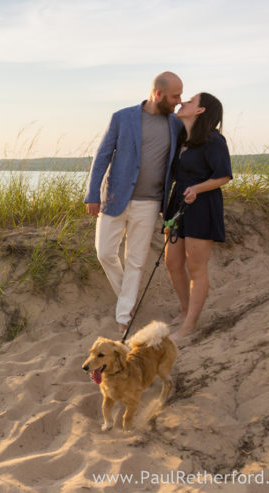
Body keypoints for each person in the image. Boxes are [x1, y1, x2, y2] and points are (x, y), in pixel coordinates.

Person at [85, 72, 183, 333]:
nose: (179, 101)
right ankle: (126, 299)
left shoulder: (176, 124)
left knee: (136, 261)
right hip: (115, 197)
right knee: (104, 252)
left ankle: (124, 315)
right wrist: (92, 194)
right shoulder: (122, 117)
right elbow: (102, 155)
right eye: (175, 96)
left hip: (150, 203)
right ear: (158, 94)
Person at [164, 92, 232, 342]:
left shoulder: (214, 140)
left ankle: (190, 324)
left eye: (190, 101)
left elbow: (224, 176)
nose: (183, 102)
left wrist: (198, 189)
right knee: (172, 262)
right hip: (177, 205)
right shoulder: (181, 137)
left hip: (202, 205)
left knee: (196, 267)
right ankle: (185, 309)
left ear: (201, 110)